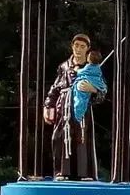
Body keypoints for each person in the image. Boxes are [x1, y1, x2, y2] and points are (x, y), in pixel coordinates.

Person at [44, 34, 107, 180]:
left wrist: (93, 89)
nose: (78, 49)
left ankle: (84, 173)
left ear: (87, 49)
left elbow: (102, 90)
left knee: (81, 138)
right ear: (72, 46)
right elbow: (55, 88)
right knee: (60, 137)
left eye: (82, 46)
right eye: (76, 45)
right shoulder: (64, 67)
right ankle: (61, 171)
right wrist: (48, 105)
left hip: (82, 107)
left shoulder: (93, 68)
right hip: (63, 106)